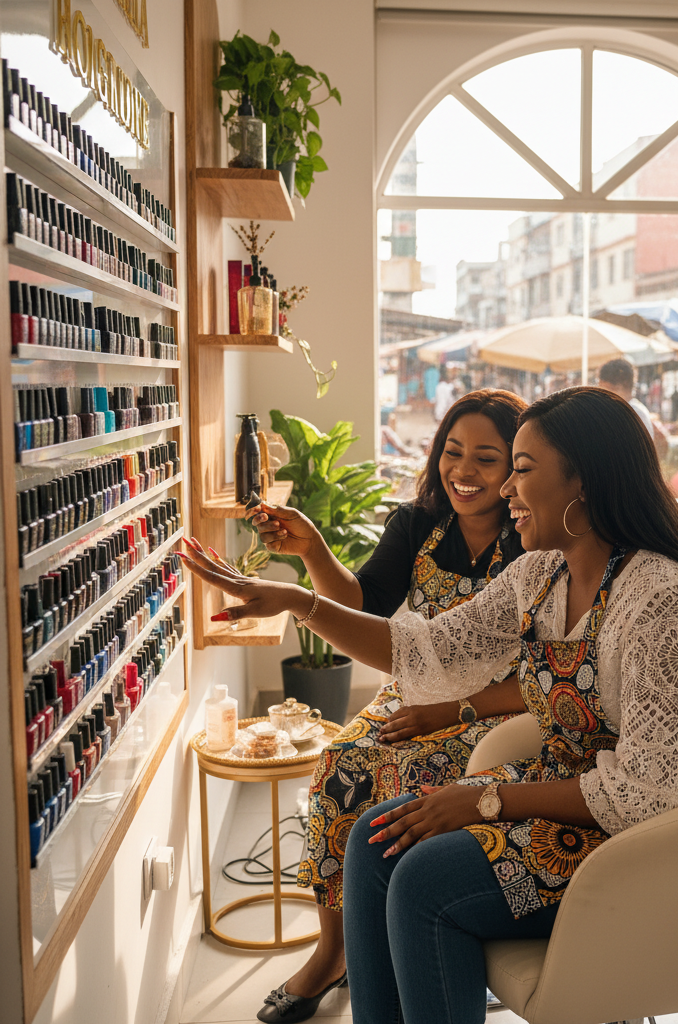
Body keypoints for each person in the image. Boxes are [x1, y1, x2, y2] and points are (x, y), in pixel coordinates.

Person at [179, 387, 678, 1024]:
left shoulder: (662, 603)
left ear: (584, 482)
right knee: (373, 837)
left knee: (422, 883)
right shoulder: (542, 574)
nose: (504, 490)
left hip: (645, 838)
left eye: (520, 469)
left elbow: (646, 794)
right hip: (569, 791)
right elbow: (427, 650)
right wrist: (293, 599)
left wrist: (481, 798)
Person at [226, 389, 529, 1023]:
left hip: (498, 710)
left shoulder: (535, 541)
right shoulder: (417, 524)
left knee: (395, 775)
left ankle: (410, 927)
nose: (463, 472)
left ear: (518, 469)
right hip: (416, 691)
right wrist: (312, 553)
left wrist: (455, 711)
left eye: (486, 459)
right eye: (452, 452)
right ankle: (334, 950)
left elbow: (546, 677)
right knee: (340, 765)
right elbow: (366, 608)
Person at [597, 357, 654, 438]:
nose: (602, 396)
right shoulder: (632, 410)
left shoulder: (632, 412)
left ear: (622, 385)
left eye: (606, 390)